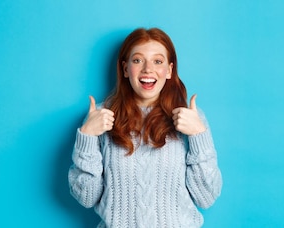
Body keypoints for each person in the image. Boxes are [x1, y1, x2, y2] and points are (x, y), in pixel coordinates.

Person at [68, 27, 222, 228]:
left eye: (157, 61)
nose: (148, 69)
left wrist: (198, 136)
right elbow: (86, 196)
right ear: (125, 69)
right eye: (138, 60)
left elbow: (207, 197)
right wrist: (87, 137)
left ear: (169, 70)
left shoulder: (190, 117)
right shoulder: (101, 116)